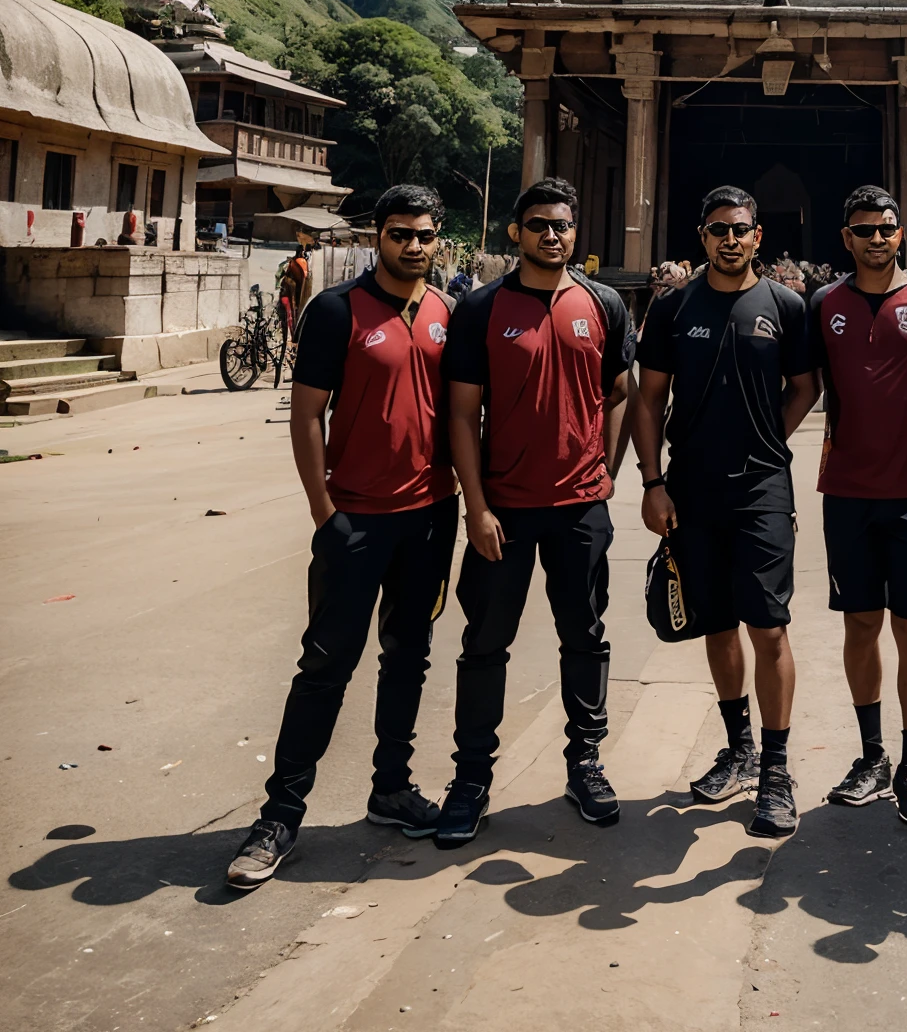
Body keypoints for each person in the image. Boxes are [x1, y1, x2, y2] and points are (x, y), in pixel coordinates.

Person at [226, 185, 458, 890]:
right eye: (398, 234)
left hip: (429, 514)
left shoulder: (449, 311)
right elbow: (306, 417)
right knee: (326, 665)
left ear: (436, 238)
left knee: (409, 654)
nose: (412, 246)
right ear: (378, 237)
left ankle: (391, 787)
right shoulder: (338, 311)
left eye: (422, 235)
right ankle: (280, 815)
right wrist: (324, 511)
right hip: (356, 516)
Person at [435, 177, 634, 845]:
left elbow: (620, 393)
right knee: (485, 643)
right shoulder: (482, 309)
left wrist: (607, 469)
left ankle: (585, 763)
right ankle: (470, 781)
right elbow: (461, 414)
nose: (553, 234)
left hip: (580, 507)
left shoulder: (603, 305)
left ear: (576, 234)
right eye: (540, 224)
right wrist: (477, 506)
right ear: (515, 233)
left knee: (585, 637)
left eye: (564, 225)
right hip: (506, 511)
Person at [631, 185, 819, 839]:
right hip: (691, 487)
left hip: (763, 489)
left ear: (758, 236)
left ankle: (774, 768)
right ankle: (738, 748)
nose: (730, 239)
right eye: (718, 229)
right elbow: (648, 400)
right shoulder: (674, 308)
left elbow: (805, 386)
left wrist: (770, 438)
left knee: (768, 626)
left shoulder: (786, 307)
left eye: (740, 228)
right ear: (702, 237)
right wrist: (653, 482)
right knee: (716, 621)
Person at [807, 185, 907, 828]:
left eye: (886, 228)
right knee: (861, 625)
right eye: (863, 228)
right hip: (847, 492)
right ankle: (871, 757)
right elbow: (797, 387)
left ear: (902, 235)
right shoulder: (823, 306)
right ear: (846, 238)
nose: (876, 237)